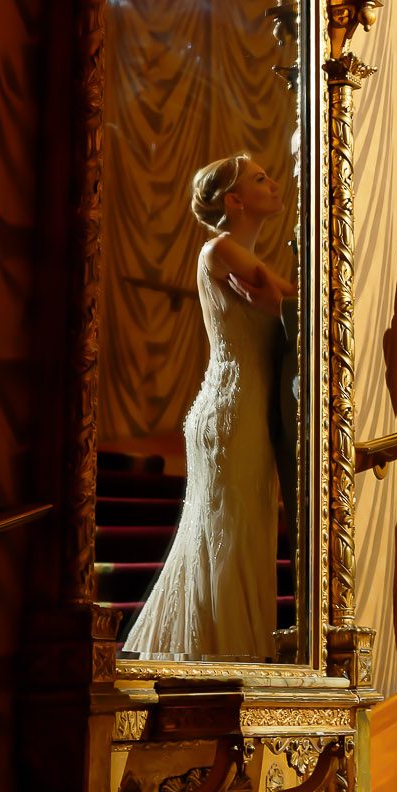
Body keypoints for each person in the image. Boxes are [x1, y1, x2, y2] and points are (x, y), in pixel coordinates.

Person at [124, 154, 296, 660]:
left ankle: (228, 652)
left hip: (245, 407)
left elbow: (286, 299)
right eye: (260, 179)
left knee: (237, 530)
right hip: (232, 411)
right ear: (234, 201)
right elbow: (296, 300)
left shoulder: (241, 254)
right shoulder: (221, 250)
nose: (273, 183)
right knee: (231, 533)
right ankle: (226, 656)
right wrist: (285, 296)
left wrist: (283, 297)